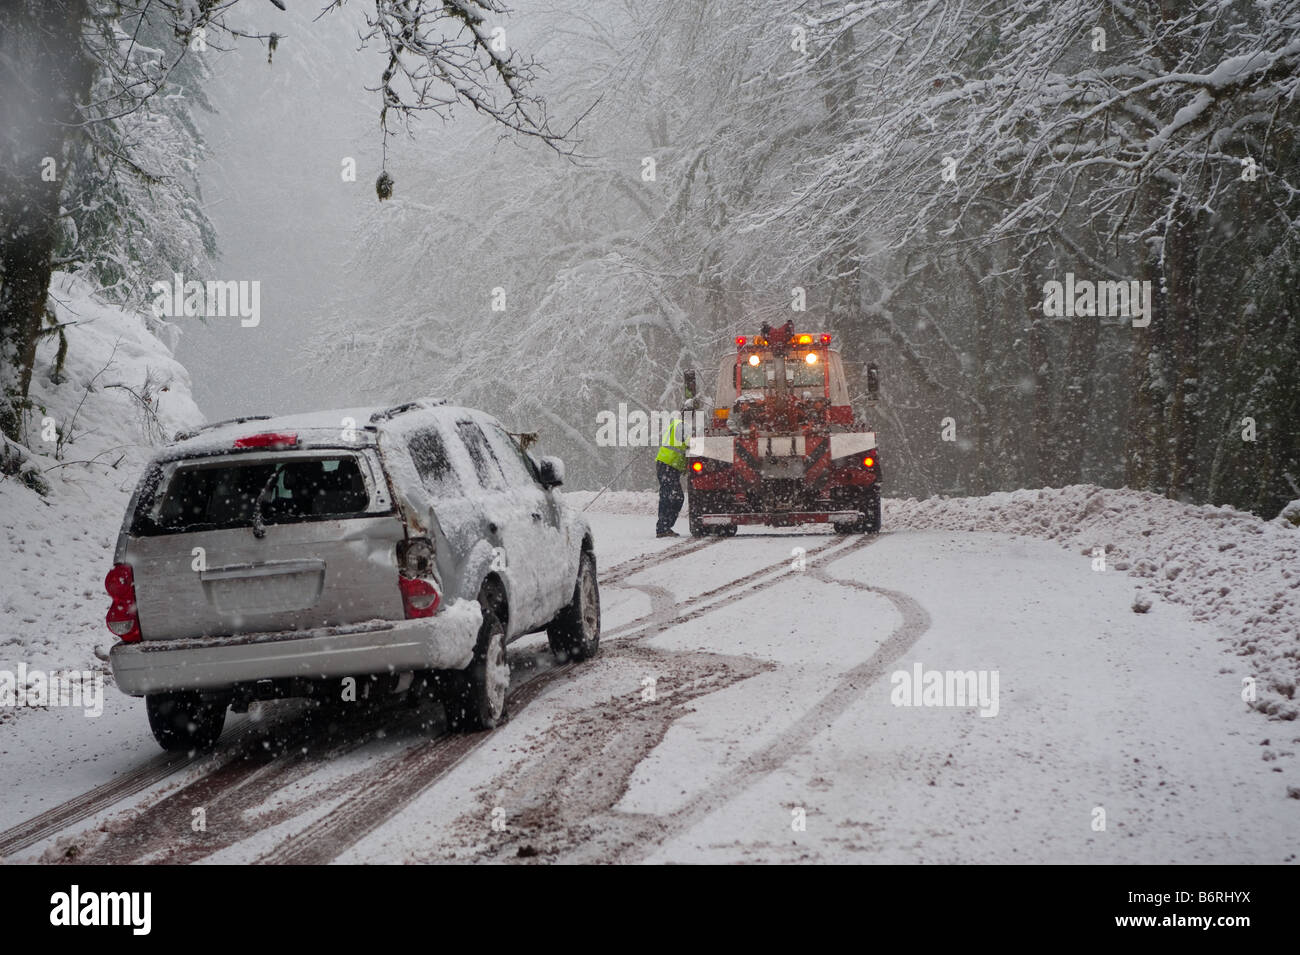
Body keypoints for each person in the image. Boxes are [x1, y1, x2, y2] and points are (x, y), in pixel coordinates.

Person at [654, 400, 696, 537]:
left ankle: (664, 527)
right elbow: (691, 444)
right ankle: (663, 528)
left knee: (670, 496)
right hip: (668, 465)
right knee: (673, 497)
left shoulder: (679, 424)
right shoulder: (682, 426)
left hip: (667, 465)